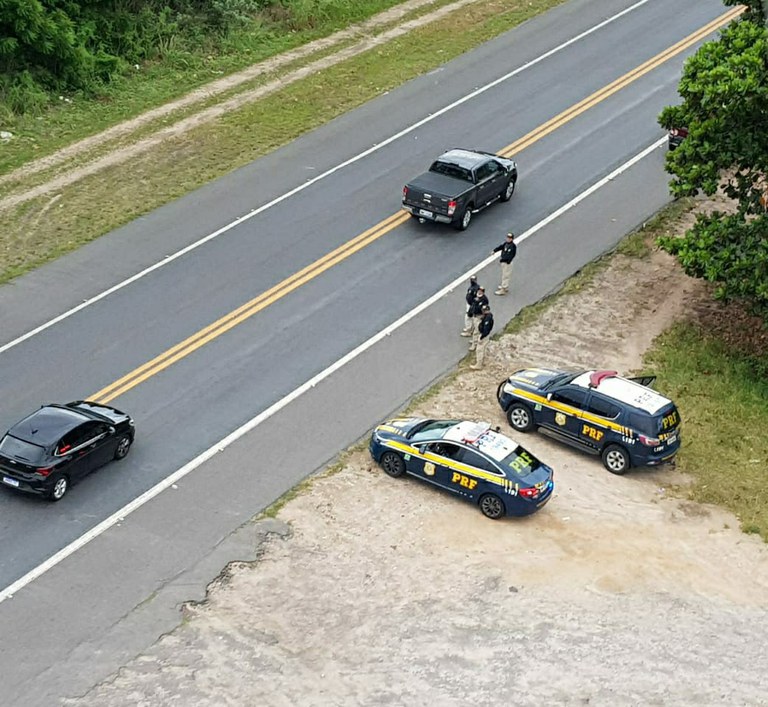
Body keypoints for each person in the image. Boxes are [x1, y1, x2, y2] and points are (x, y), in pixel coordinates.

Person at [470, 305, 494, 370]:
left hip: (484, 335)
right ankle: (481, 361)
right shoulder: (486, 316)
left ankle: (479, 364)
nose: (483, 312)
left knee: (479, 349)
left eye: (485, 310)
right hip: (483, 334)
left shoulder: (488, 318)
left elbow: (486, 330)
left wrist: (481, 337)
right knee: (482, 348)